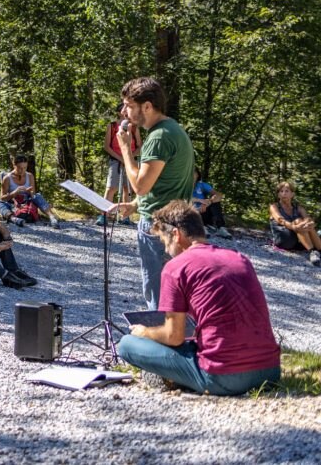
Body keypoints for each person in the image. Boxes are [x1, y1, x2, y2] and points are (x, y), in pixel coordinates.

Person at [118, 201, 281, 395]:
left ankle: (183, 377)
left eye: (164, 241)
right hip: (270, 371)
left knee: (126, 344)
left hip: (222, 377)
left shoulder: (176, 267)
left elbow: (173, 336)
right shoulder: (239, 258)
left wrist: (145, 332)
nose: (166, 250)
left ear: (176, 234)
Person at [116, 77, 194, 311]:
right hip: (177, 220)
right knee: (176, 291)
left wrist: (125, 149)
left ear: (147, 106)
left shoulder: (159, 137)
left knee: (159, 293)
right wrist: (136, 204)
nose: (123, 112)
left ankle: (162, 331)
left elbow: (141, 186)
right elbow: (164, 180)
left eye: (129, 106)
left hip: (157, 225)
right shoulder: (173, 129)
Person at [97, 107, 142, 227]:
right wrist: (121, 158)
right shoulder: (112, 126)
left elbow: (139, 146)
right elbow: (107, 146)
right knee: (111, 187)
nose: (126, 111)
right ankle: (104, 215)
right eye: (123, 109)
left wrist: (129, 157)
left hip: (131, 160)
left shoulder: (134, 127)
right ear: (119, 112)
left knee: (127, 188)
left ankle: (125, 216)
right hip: (115, 160)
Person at [0, 155, 63, 229]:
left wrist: (30, 192)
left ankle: (52, 217)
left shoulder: (30, 176)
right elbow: (2, 198)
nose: (22, 170)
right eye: (20, 168)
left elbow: (33, 195)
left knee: (37, 195)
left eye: (25, 168)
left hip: (27, 202)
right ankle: (13, 219)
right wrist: (14, 192)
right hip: (13, 203)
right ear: (14, 165)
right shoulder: (7, 178)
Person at [269, 181, 321, 266]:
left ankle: (318, 250)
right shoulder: (274, 206)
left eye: (287, 191)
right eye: (281, 191)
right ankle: (312, 252)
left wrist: (309, 223)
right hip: (284, 239)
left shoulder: (298, 207)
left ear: (292, 194)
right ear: (278, 195)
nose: (284, 194)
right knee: (298, 221)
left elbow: (307, 218)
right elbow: (280, 220)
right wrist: (294, 227)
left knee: (307, 224)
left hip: (297, 241)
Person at [190, 168, 231, 238]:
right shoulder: (183, 186)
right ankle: (201, 228)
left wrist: (209, 202)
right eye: (190, 173)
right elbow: (180, 198)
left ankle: (221, 228)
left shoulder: (202, 185)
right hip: (191, 212)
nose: (192, 175)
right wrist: (199, 200)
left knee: (215, 203)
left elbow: (219, 195)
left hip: (204, 211)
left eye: (194, 173)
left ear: (198, 175)